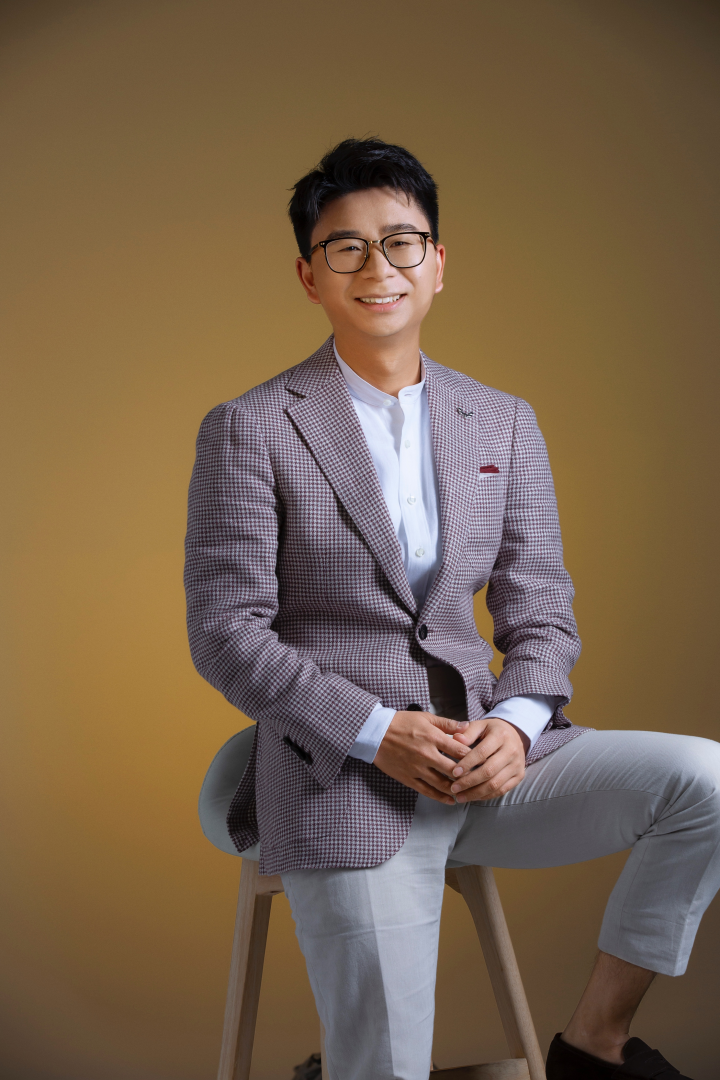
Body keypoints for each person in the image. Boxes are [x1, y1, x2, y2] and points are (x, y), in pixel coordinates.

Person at [184, 138, 720, 1080]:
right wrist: (376, 731)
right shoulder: (251, 427)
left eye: (401, 242)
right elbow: (226, 632)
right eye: (346, 247)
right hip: (342, 779)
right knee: (387, 1063)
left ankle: (595, 1043)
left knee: (706, 784)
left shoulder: (502, 419)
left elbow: (541, 607)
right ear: (310, 276)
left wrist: (516, 725)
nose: (378, 267)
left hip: (492, 765)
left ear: (438, 262)